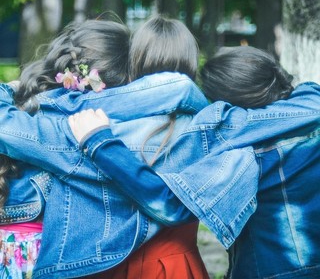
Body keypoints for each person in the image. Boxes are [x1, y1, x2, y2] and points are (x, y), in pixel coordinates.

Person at [68, 46, 320, 279]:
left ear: (227, 102)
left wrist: (100, 143)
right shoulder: (312, 101)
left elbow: (170, 204)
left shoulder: (243, 155)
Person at [0, 15, 210, 278]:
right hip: (175, 264)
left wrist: (10, 90)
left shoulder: (79, 130)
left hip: (89, 263)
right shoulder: (205, 127)